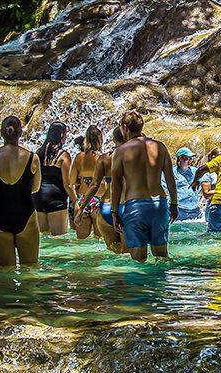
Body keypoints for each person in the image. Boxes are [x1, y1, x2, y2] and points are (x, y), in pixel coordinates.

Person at [104, 110, 179, 262]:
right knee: (162, 256)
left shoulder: (120, 152)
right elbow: (170, 178)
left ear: (125, 128)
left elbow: (116, 185)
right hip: (159, 204)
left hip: (135, 206)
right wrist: (174, 203)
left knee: (139, 259)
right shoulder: (160, 147)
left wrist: (114, 212)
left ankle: (140, 286)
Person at [0, 116, 42, 270]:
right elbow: (35, 188)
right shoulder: (32, 158)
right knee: (30, 268)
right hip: (25, 212)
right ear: (21, 133)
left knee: (5, 270)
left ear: (1, 133)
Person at [69, 126, 109, 241]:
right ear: (100, 139)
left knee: (81, 241)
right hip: (99, 199)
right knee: (99, 241)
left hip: (82, 199)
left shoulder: (78, 157)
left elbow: (72, 181)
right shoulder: (103, 158)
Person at [34, 122, 72, 237]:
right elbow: (67, 184)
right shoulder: (63, 155)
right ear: (61, 135)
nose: (66, 137)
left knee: (44, 238)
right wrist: (76, 202)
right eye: (65, 134)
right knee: (59, 239)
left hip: (38, 197)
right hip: (56, 198)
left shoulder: (38, 153)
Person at [171, 147, 203, 223]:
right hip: (180, 210)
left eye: (190, 158)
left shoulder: (195, 171)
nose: (189, 161)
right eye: (187, 158)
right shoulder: (172, 172)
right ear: (180, 158)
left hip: (195, 210)